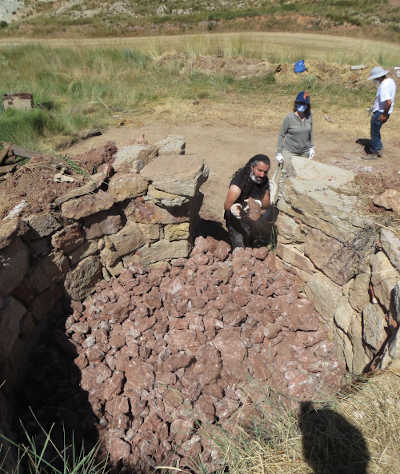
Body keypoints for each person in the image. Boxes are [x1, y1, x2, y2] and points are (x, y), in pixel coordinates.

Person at [224, 154, 276, 249]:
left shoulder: (263, 180)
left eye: (265, 172)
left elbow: (265, 207)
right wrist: (236, 210)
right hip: (236, 218)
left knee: (252, 241)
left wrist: (257, 204)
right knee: (239, 246)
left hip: (252, 216)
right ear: (252, 167)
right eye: (259, 170)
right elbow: (227, 206)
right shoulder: (238, 184)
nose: (262, 175)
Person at [275, 90, 314, 176]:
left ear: (307, 105)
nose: (301, 106)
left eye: (304, 104)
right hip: (290, 152)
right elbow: (281, 135)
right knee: (289, 176)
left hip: (304, 152)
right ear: (296, 103)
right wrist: (279, 152)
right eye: (299, 103)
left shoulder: (309, 116)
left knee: (303, 176)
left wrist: (311, 147)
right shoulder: (289, 118)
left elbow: (311, 132)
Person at [362, 66, 396, 159]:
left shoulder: (383, 86)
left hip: (380, 113)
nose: (375, 80)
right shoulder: (390, 81)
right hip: (383, 111)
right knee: (376, 132)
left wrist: (384, 114)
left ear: (378, 77)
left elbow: (388, 102)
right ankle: (379, 148)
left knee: (374, 133)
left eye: (375, 78)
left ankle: (374, 152)